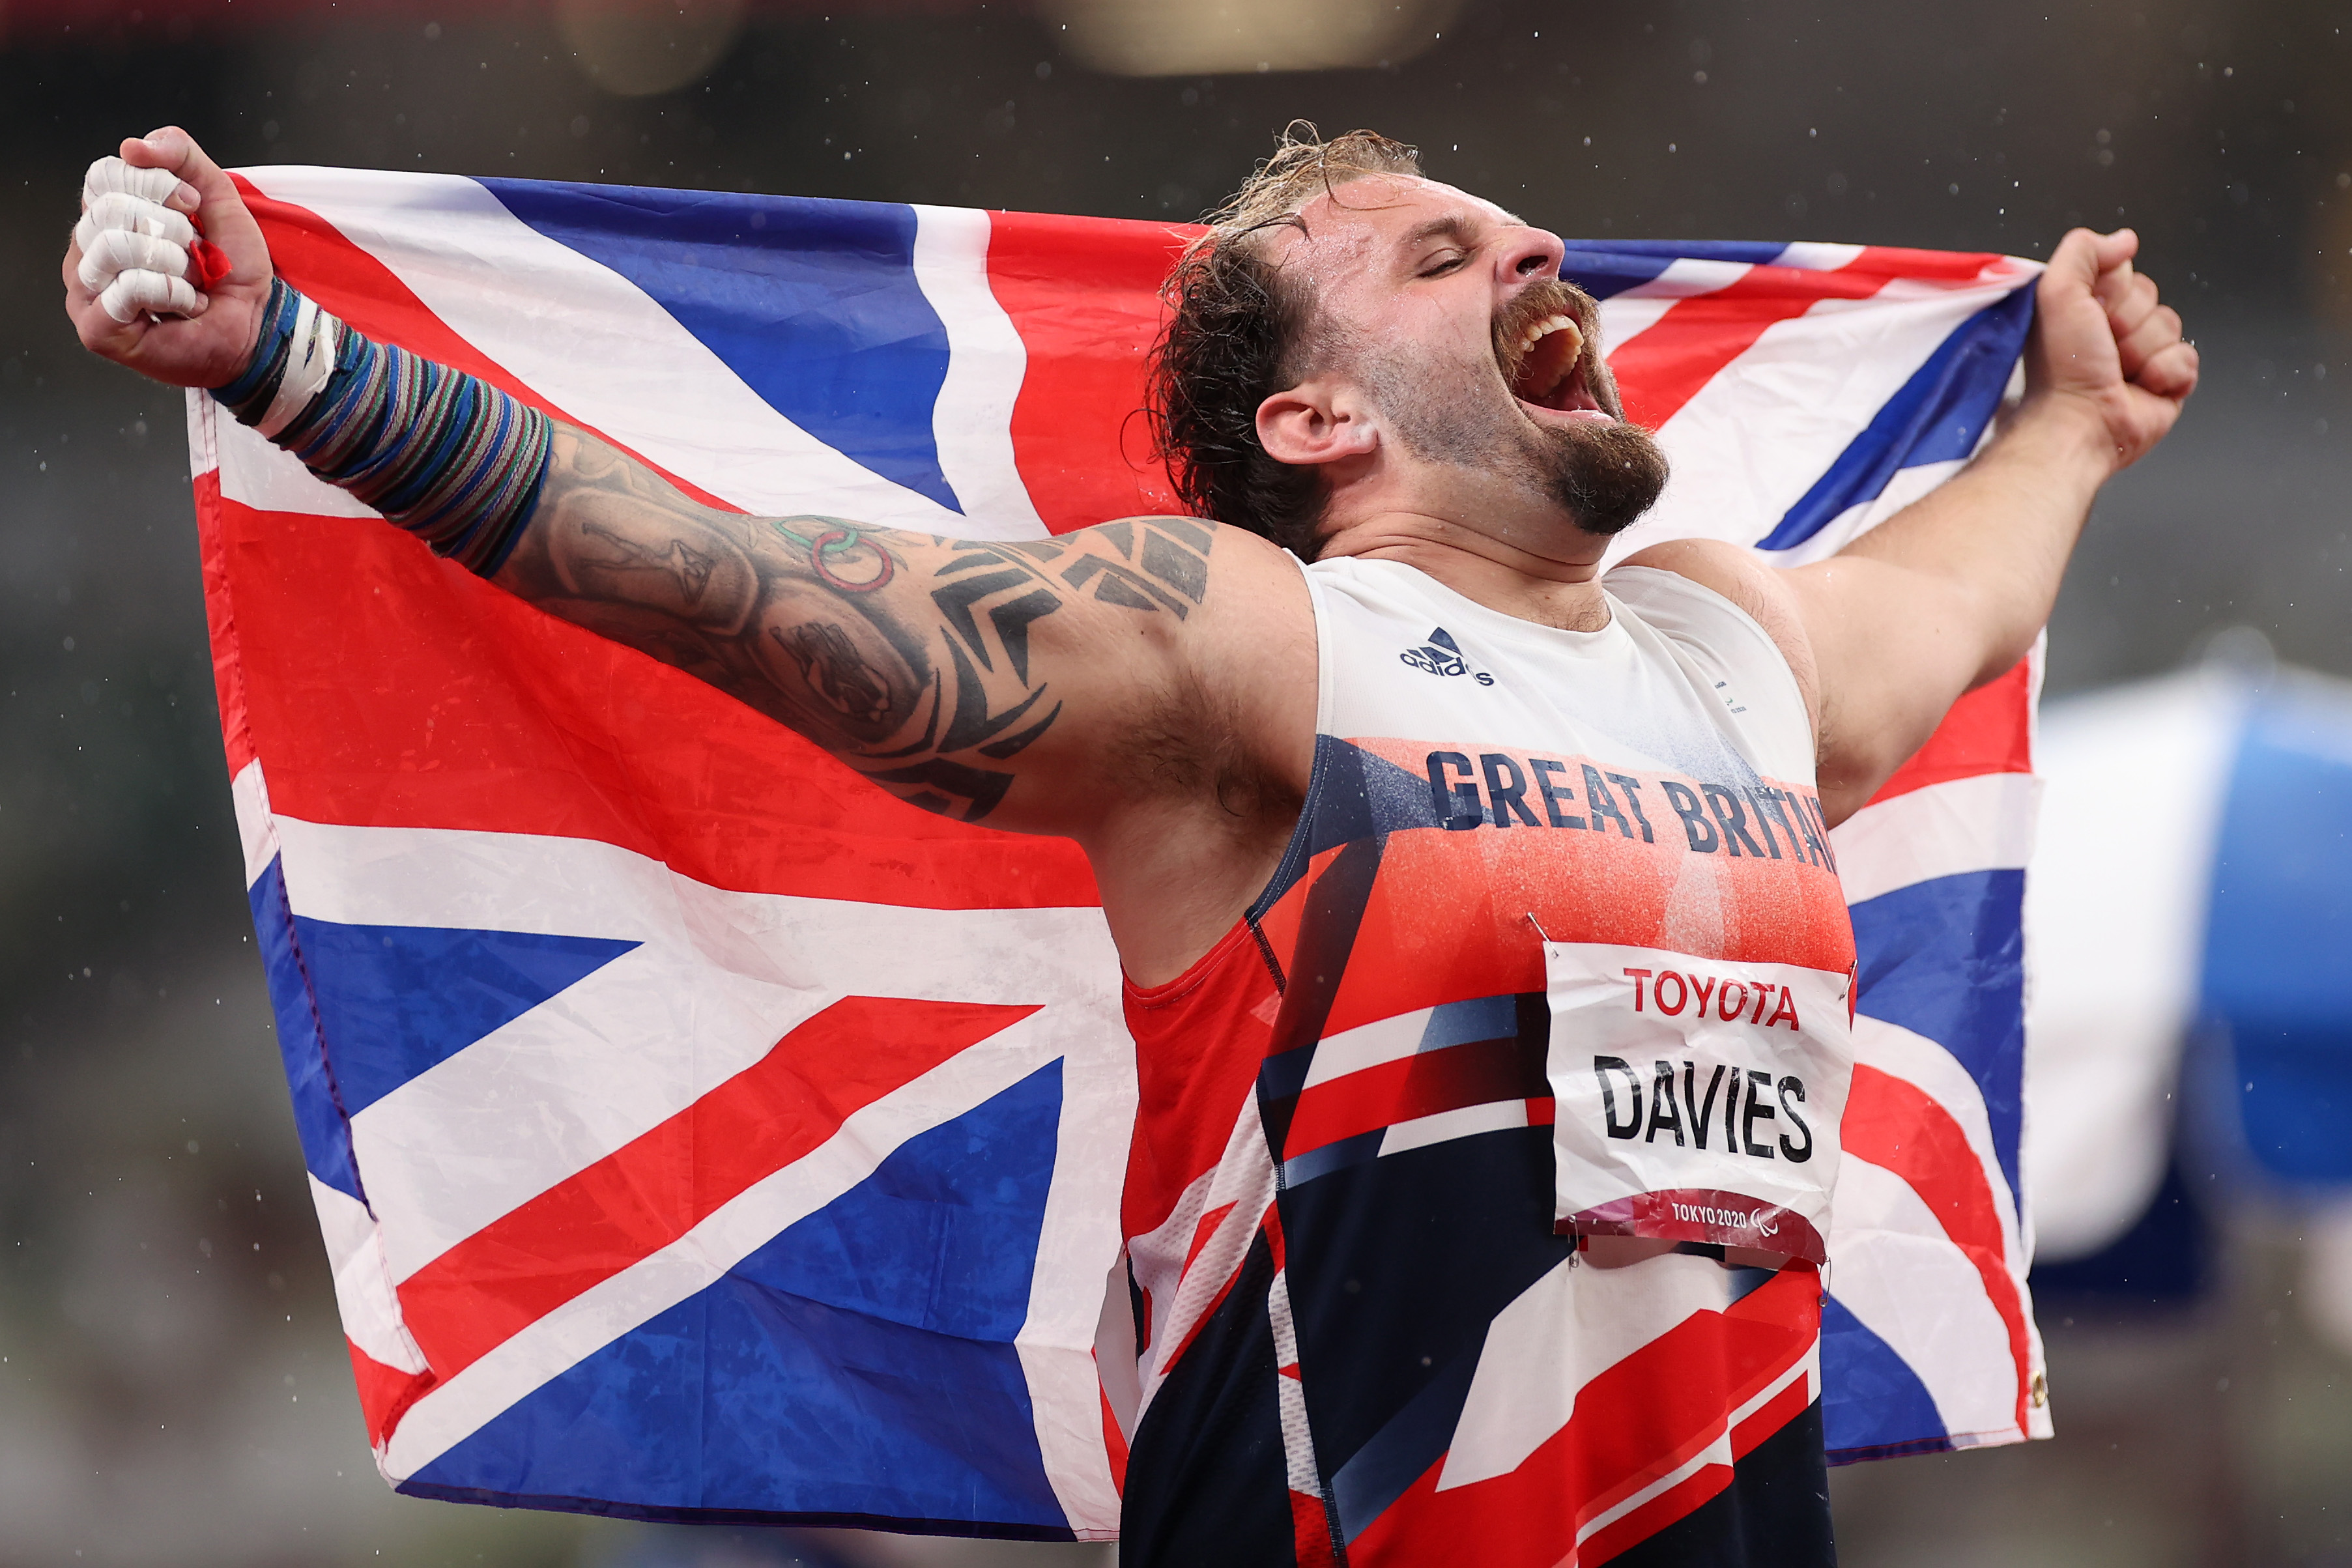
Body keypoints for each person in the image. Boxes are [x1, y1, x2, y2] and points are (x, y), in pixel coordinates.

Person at [66, 124, 2194, 1565]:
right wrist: (293, 361)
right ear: (1313, 425)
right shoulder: (1252, 642)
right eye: (1439, 260)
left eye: (1520, 240)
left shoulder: (1738, 659)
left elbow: (1958, 591)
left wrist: (2074, 418)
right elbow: (740, 586)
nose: (1536, 253)